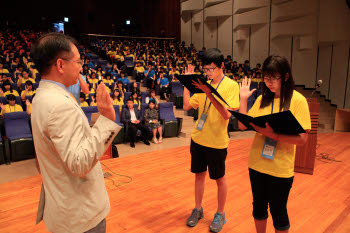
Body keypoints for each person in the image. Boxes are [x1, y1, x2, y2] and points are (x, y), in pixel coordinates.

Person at [30, 32, 121, 233]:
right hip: (80, 215)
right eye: (78, 62)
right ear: (61, 65)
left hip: (64, 206)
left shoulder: (42, 96)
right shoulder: (59, 105)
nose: (81, 67)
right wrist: (107, 120)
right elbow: (79, 163)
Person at [238, 55, 311, 233]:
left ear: (285, 77)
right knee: (258, 208)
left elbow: (302, 139)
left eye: (273, 78)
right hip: (256, 165)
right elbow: (241, 125)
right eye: (266, 77)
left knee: (279, 212)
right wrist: (243, 99)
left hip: (280, 169)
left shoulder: (298, 100)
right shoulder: (264, 99)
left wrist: (275, 135)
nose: (269, 82)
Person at [183, 48, 240, 233]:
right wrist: (187, 84)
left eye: (211, 69)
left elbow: (226, 115)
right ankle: (198, 209)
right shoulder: (203, 84)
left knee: (219, 179)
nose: (208, 73)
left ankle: (220, 213)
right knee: (199, 175)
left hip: (217, 142)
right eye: (206, 69)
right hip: (198, 139)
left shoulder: (231, 86)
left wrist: (208, 93)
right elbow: (186, 106)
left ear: (221, 66)